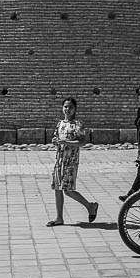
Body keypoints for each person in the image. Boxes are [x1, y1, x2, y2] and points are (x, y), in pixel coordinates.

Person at [47, 97, 100, 227]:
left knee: (68, 190)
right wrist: (55, 141)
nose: (67, 109)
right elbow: (56, 137)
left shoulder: (78, 124)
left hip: (71, 162)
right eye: (65, 107)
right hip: (59, 160)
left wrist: (66, 142)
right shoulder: (60, 124)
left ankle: (90, 206)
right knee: (57, 189)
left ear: (75, 109)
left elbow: (82, 142)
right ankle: (59, 218)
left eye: (70, 107)